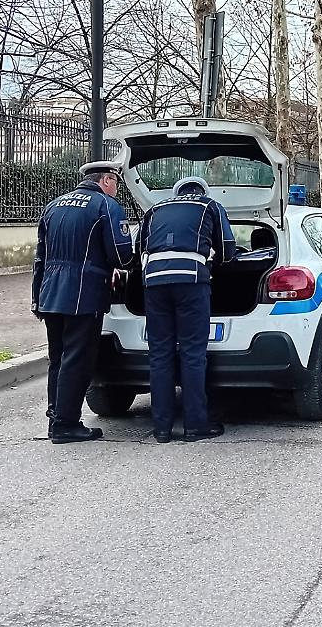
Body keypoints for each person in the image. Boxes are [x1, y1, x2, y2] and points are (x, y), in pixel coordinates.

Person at [32, 160, 134, 443]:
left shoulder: (54, 205)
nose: (117, 188)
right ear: (106, 180)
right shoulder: (106, 206)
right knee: (78, 359)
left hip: (50, 293)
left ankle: (56, 417)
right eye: (116, 182)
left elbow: (40, 256)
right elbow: (121, 256)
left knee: (59, 359)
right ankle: (66, 424)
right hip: (84, 293)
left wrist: (36, 298)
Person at [139, 176, 236, 443]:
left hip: (154, 283)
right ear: (201, 191)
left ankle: (161, 429)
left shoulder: (155, 208)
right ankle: (195, 426)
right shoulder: (210, 206)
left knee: (160, 354)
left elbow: (139, 249)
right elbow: (227, 249)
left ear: (176, 193)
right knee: (193, 353)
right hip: (191, 281)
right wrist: (215, 263)